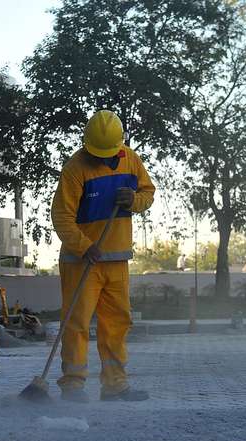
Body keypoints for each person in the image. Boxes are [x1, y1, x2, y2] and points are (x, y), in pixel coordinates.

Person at [49, 109, 155, 403]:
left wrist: (134, 200)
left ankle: (115, 385)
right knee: (77, 323)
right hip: (81, 261)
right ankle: (72, 386)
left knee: (117, 323)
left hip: (116, 261)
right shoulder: (75, 168)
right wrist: (84, 245)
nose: (101, 157)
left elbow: (148, 193)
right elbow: (61, 217)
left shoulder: (131, 159)